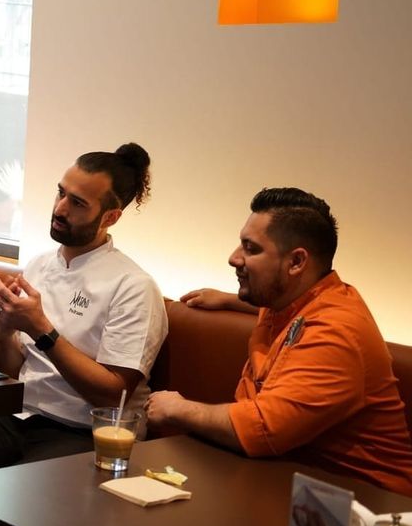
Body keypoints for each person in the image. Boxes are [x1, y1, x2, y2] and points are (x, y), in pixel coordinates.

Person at [145, 187, 412, 496]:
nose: (234, 258)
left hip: (360, 508)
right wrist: (230, 299)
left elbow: (263, 429)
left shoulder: (337, 332)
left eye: (251, 248)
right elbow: (275, 307)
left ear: (296, 262)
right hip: (277, 480)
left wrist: (177, 408)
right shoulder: (287, 298)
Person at [0, 143, 167, 463]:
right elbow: (11, 368)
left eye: (78, 203)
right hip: (20, 415)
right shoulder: (39, 265)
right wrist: (4, 328)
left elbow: (113, 395)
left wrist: (41, 328)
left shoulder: (133, 286)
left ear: (110, 217)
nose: (60, 209)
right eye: (61, 193)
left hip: (82, 432)